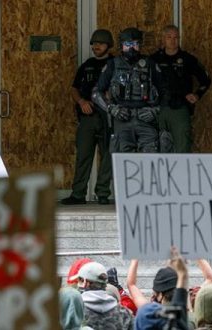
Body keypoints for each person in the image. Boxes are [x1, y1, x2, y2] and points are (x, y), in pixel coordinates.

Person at [61, 29, 114, 205]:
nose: (96, 46)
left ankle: (103, 193)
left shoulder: (115, 64)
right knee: (83, 155)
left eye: (100, 43)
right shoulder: (87, 65)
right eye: (94, 43)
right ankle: (78, 194)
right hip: (88, 117)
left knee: (107, 156)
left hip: (108, 118)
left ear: (109, 45)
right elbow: (74, 88)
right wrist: (81, 101)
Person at [92, 27, 162, 153]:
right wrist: (112, 109)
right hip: (122, 119)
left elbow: (165, 92)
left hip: (146, 119)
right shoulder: (112, 64)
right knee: (123, 162)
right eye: (127, 44)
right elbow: (96, 93)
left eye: (135, 44)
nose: (131, 48)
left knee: (150, 161)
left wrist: (155, 110)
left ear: (140, 45)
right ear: (121, 45)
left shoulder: (150, 64)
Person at [150, 25, 211, 153]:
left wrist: (197, 94)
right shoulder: (154, 59)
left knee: (182, 146)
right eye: (169, 37)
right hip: (158, 108)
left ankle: (181, 173)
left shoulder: (188, 59)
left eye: (176, 37)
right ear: (163, 39)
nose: (173, 40)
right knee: (156, 147)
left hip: (180, 108)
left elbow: (205, 80)